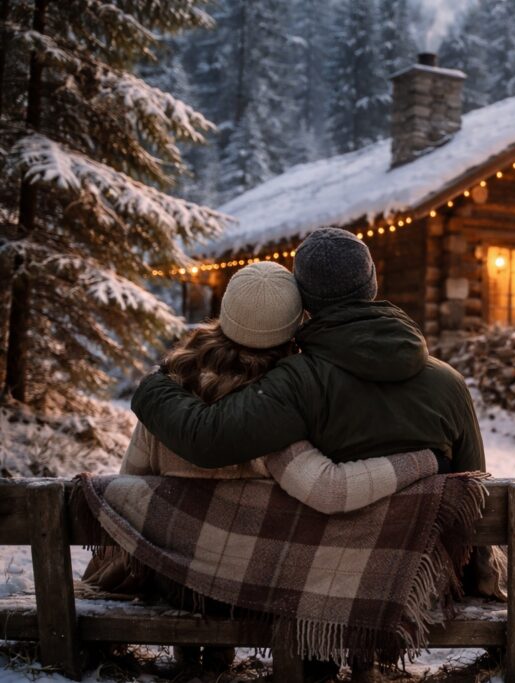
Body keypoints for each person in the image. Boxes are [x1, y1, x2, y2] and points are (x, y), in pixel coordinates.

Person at [85, 261, 442, 675]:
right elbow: (330, 489)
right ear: (294, 323)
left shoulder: (172, 387)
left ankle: (197, 658)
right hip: (257, 593)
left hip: (177, 584)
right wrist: (426, 459)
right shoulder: (277, 409)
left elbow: (134, 484)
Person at [130, 227, 484, 478]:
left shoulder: (299, 382)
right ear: (372, 282)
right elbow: (475, 489)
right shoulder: (449, 383)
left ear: (303, 299)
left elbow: (206, 440)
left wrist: (151, 387)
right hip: (433, 574)